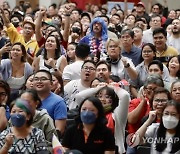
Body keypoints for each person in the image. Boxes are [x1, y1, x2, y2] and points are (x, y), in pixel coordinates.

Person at [75, 83, 130, 154]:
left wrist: (114, 88)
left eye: (107, 97)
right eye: (99, 96)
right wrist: (96, 89)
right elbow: (79, 96)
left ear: (113, 99)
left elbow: (125, 96)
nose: (102, 99)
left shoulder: (117, 115)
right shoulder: (92, 114)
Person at [33, 69, 67, 136]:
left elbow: (59, 129)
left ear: (51, 83)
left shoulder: (58, 101)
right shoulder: (26, 99)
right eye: (36, 79)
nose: (39, 81)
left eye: (43, 79)